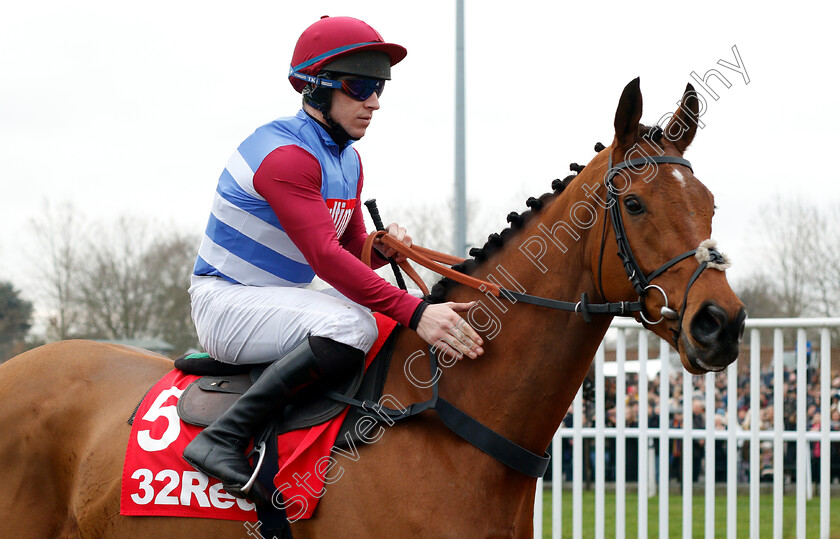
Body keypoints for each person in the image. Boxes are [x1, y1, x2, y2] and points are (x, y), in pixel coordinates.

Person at [182, 15, 484, 502]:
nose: (375, 101)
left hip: (282, 300)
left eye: (380, 86)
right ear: (317, 87)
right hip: (228, 304)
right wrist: (417, 312)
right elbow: (325, 258)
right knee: (357, 327)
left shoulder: (347, 158)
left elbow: (348, 251)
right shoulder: (287, 156)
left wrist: (380, 250)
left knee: (373, 322)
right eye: (361, 86)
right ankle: (223, 437)